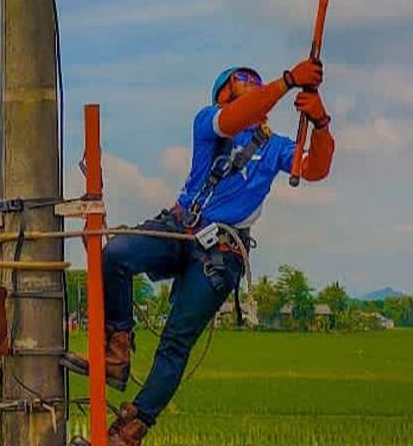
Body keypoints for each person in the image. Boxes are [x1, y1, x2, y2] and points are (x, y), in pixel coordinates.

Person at [72, 59, 335, 446]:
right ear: (224, 94)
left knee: (176, 340)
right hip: (180, 227)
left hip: (220, 252)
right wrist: (288, 82)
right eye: (243, 80)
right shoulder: (211, 123)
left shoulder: (276, 146)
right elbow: (237, 117)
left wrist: (322, 124)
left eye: (255, 80)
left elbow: (314, 168)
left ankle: (132, 427)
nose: (253, 83)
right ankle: (117, 346)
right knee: (116, 254)